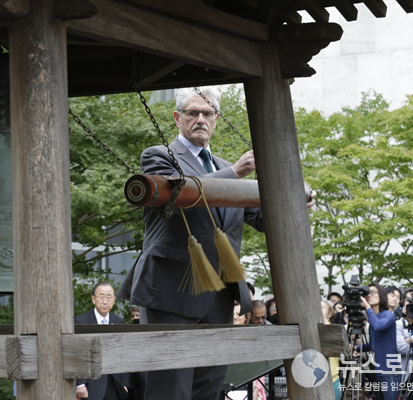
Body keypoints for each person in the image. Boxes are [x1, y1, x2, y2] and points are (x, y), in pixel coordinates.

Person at [117, 87, 316, 400]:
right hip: (171, 290)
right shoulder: (158, 155)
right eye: (192, 113)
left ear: (217, 120)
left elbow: (262, 219)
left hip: (219, 295)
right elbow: (180, 195)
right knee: (170, 389)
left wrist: (293, 202)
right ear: (177, 118)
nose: (200, 119)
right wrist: (236, 173)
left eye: (207, 113)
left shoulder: (222, 165)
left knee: (209, 388)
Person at [74, 282, 129, 400]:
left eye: (109, 297)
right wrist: (80, 383)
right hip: (91, 385)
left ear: (114, 300)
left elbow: (123, 353)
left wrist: (124, 383)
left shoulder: (118, 321)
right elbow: (77, 354)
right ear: (93, 299)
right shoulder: (80, 321)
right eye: (101, 296)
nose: (105, 301)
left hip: (114, 383)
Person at [360, 283, 399, 400]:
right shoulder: (374, 317)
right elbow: (373, 344)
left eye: (373, 292)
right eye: (367, 293)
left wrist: (367, 308)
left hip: (388, 371)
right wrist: (356, 349)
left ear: (381, 295)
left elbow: (378, 326)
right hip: (377, 370)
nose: (369, 295)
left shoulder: (388, 315)